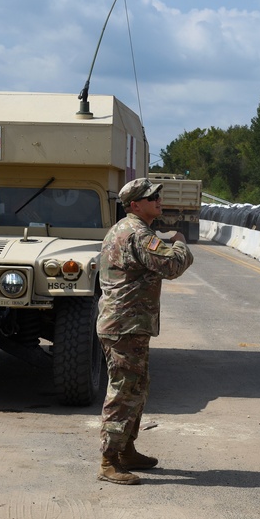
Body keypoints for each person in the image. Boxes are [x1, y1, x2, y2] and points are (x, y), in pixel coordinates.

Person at [96, 177, 194, 485]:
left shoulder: (126, 230)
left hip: (126, 324)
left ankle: (126, 450)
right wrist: (178, 240)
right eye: (151, 197)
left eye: (158, 196)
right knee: (124, 391)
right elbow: (172, 266)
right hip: (125, 325)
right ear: (134, 205)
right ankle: (109, 460)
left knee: (136, 388)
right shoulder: (138, 234)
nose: (158, 200)